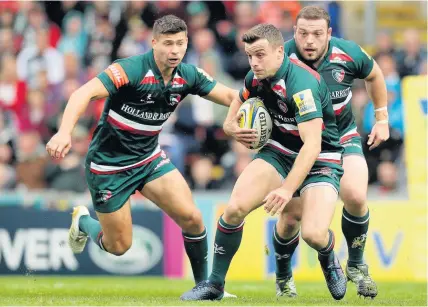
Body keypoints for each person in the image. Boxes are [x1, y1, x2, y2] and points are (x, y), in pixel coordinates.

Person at [45, 15, 244, 293]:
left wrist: (261, 100)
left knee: (193, 218)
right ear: (153, 43)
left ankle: (207, 289)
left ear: (187, 44)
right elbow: (82, 93)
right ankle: (83, 222)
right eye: (168, 44)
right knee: (119, 246)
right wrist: (64, 132)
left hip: (148, 160)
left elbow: (229, 96)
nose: (174, 50)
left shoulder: (188, 75)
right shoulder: (130, 69)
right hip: (108, 167)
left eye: (180, 44)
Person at [181, 23, 347, 301]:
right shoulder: (255, 77)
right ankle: (215, 284)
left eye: (260, 55)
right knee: (234, 209)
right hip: (279, 152)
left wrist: (286, 189)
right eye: (249, 56)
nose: (254, 62)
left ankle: (329, 256)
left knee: (314, 234)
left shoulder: (301, 85)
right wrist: (231, 126)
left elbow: (312, 145)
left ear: (280, 52)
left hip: (320, 159)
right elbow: (238, 100)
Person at [277, 6, 389, 299]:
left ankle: (355, 264)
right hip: (295, 144)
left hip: (342, 137)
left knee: (355, 194)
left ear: (329, 33)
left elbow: (375, 75)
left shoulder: (348, 53)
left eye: (317, 34)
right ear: (294, 33)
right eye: (303, 34)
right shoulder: (280, 58)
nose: (310, 41)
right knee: (291, 217)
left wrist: (381, 118)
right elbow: (254, 93)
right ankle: (283, 274)